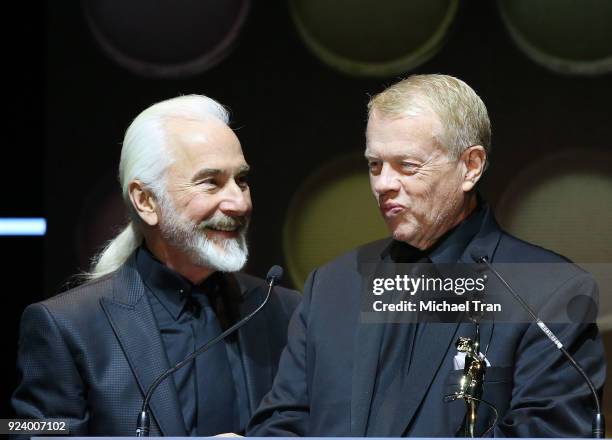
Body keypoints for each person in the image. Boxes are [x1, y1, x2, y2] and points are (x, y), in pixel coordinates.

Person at [248, 75, 605, 437]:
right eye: (375, 165)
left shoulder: (544, 291)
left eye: (407, 165)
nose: (383, 183)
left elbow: (547, 433)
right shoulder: (334, 285)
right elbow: (281, 425)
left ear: (471, 166)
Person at [12, 95, 301, 436]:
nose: (238, 202)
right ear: (145, 201)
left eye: (242, 180)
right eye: (211, 182)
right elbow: (22, 429)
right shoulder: (66, 325)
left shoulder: (284, 312)